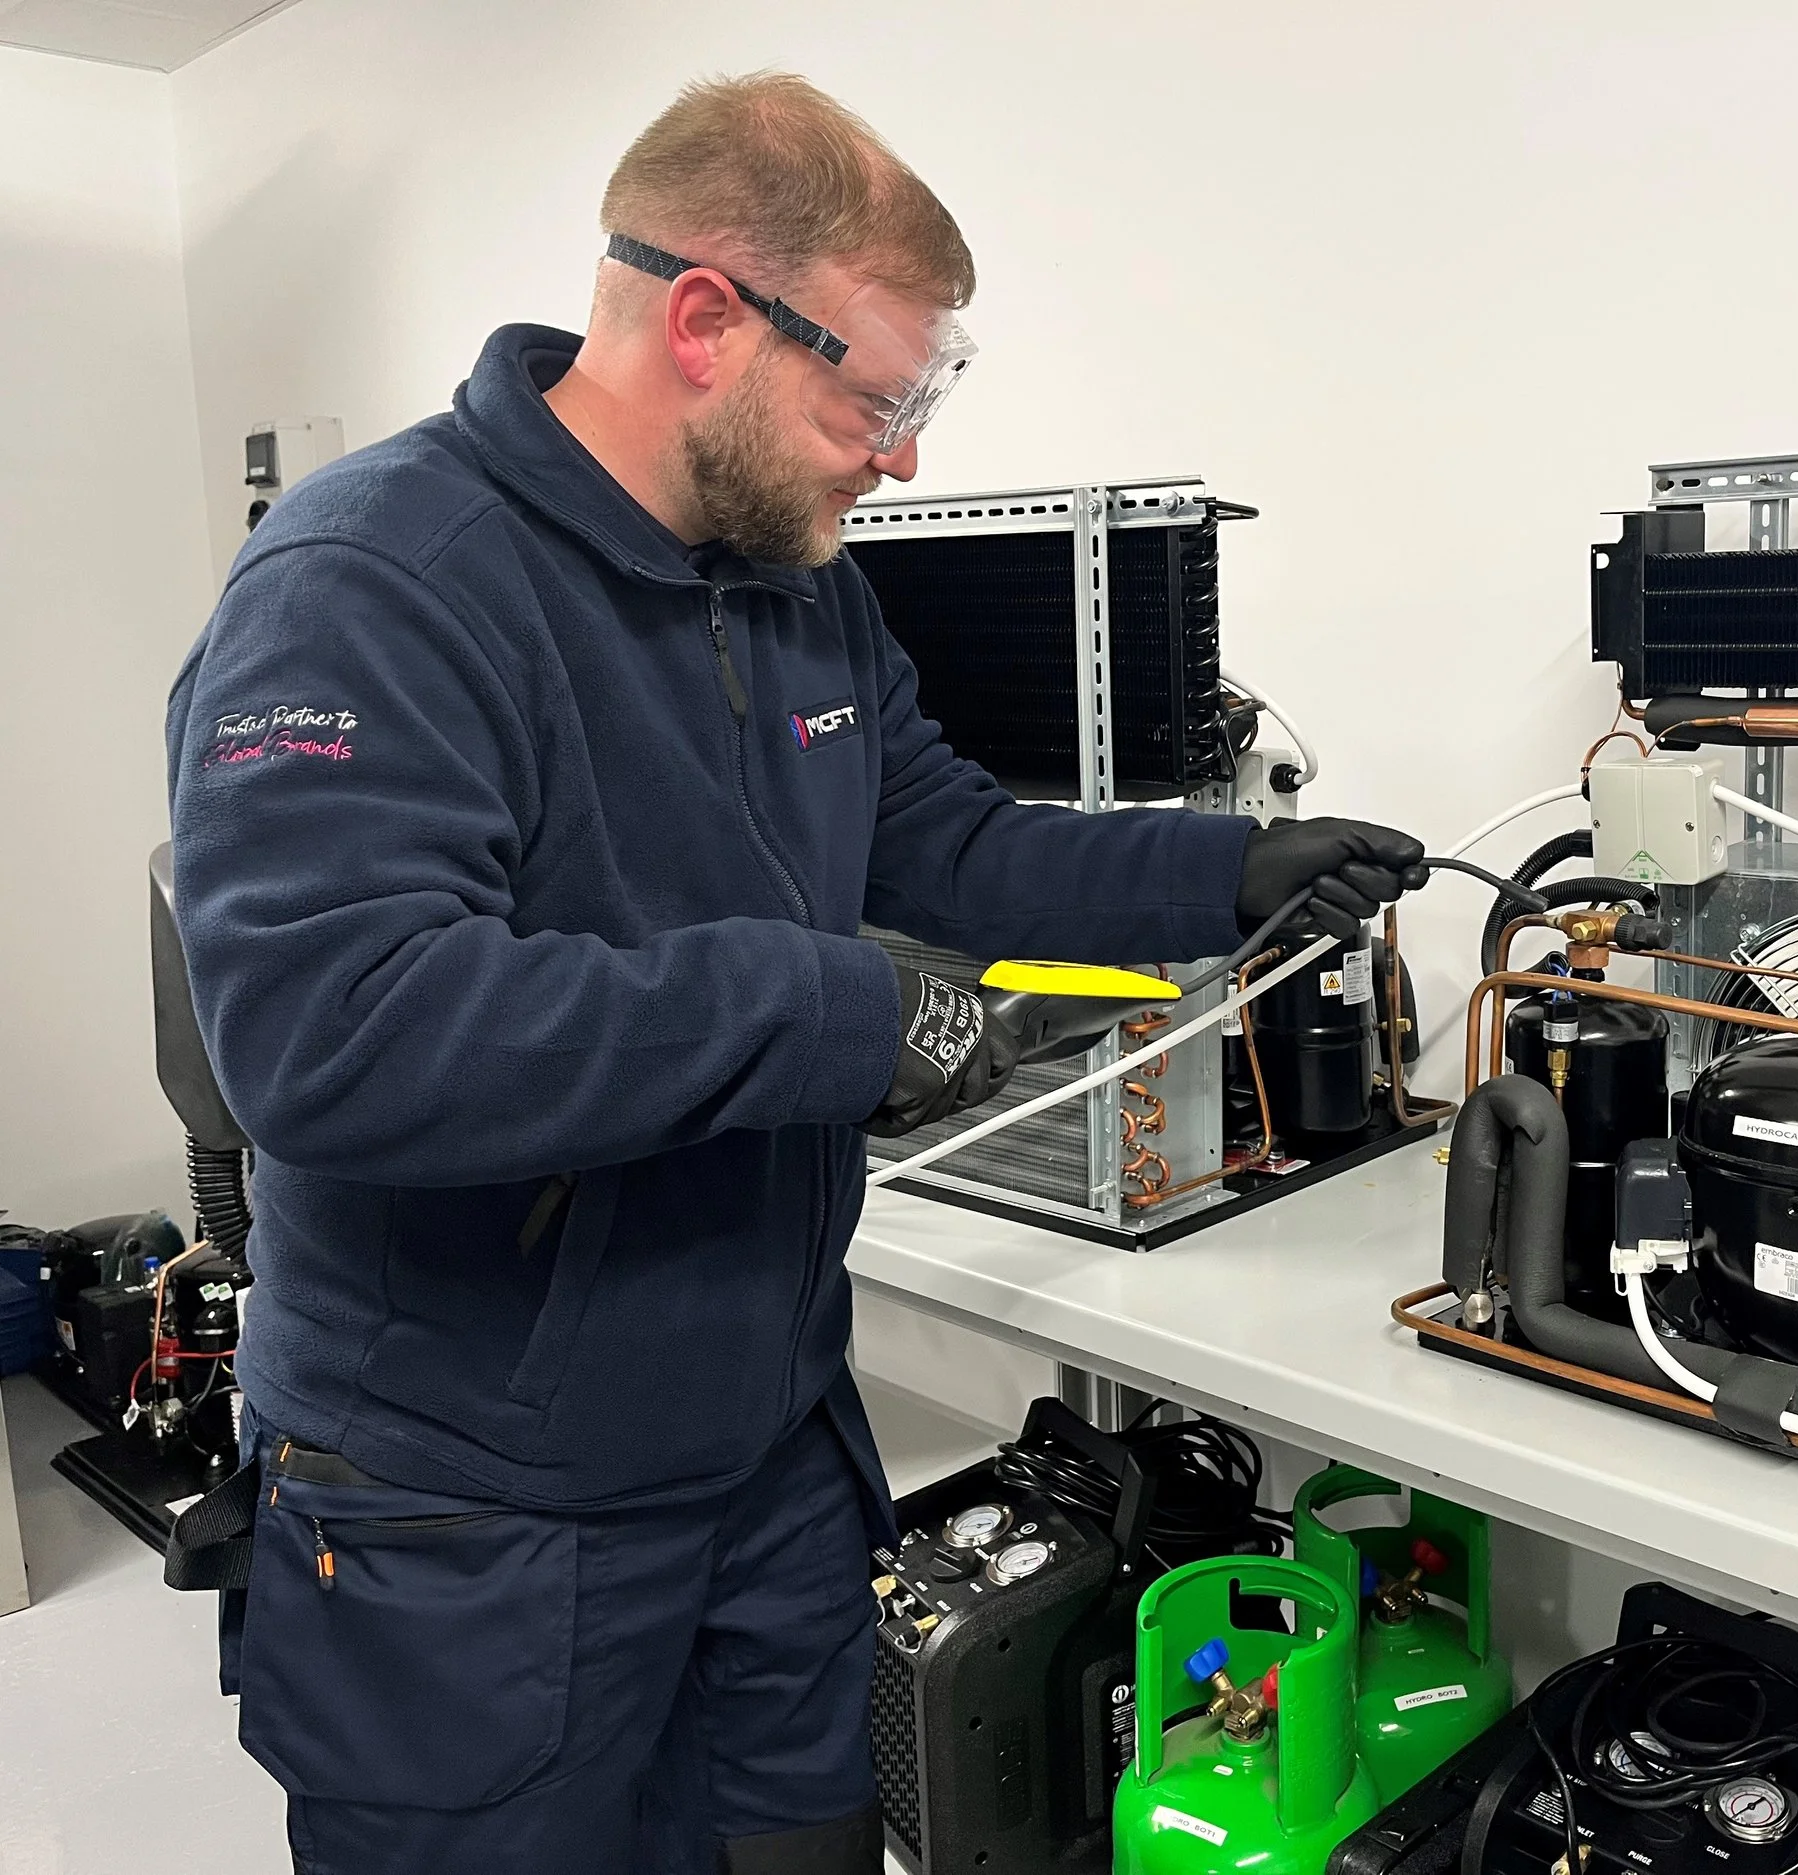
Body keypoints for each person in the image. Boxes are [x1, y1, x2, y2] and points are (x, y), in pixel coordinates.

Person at [164, 72, 1423, 1875]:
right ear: (703, 319)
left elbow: (956, 848)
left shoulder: (791, 582)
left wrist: (1230, 871)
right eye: (879, 394)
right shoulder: (374, 580)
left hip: (762, 1449)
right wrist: (836, 1005)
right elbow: (336, 1034)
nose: (902, 451)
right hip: (474, 1514)